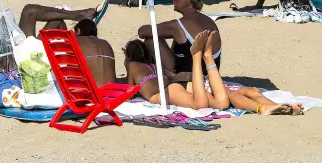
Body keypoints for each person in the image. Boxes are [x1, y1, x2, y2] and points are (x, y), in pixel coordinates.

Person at [123, 32, 301, 114]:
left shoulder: (132, 66)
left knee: (204, 103)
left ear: (128, 55)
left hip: (161, 93)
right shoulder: (154, 65)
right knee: (228, 97)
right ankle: (269, 104)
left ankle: (198, 56)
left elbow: (129, 91)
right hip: (175, 86)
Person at [137, 0, 219, 80]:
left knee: (151, 40)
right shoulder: (209, 21)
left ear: (188, 1)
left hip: (189, 78)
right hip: (211, 75)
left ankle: (169, 79)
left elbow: (142, 32)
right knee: (172, 40)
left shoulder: (178, 25)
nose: (172, 0)